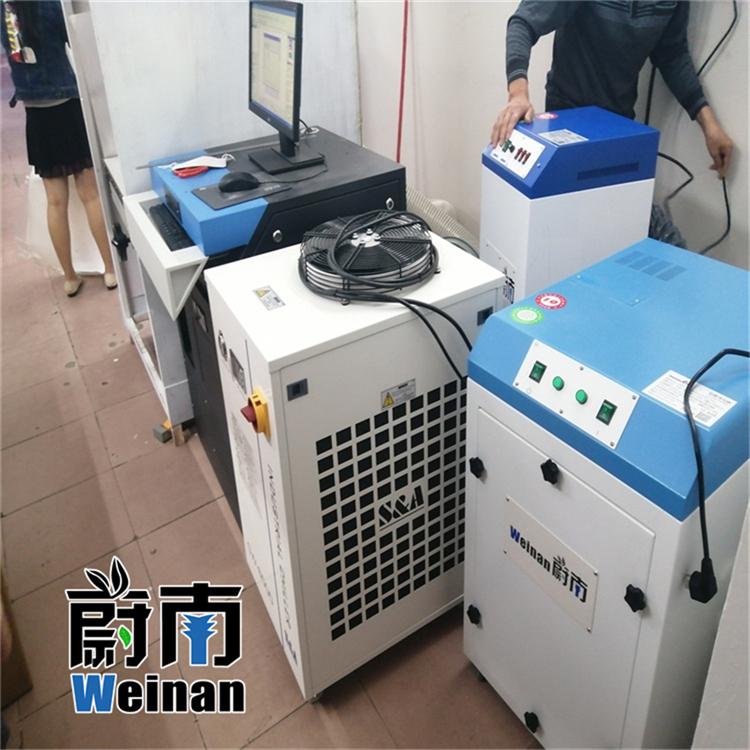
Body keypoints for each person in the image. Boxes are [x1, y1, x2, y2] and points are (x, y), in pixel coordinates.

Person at [490, 1, 734, 179]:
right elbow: (524, 23)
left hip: (620, 121)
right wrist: (518, 94)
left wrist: (708, 123)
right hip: (568, 115)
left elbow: (672, 54)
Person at [1, 0, 117, 297]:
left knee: (55, 202)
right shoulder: (53, 4)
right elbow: (76, 37)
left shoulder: (5, 9)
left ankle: (69, 277)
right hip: (67, 105)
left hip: (36, 113)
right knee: (90, 194)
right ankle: (110, 269)